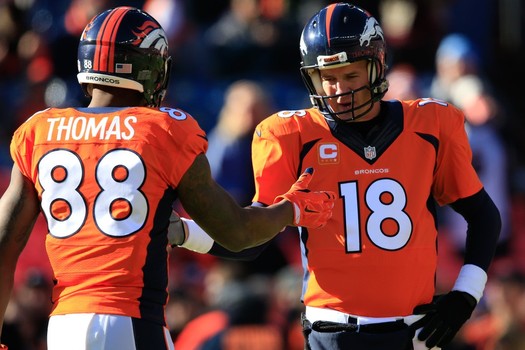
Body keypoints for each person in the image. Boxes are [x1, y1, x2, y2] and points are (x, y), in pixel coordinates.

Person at [0, 6, 336, 350]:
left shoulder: (38, 130)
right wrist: (290, 210)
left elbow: (3, 243)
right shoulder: (163, 130)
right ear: (151, 68)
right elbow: (237, 234)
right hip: (128, 319)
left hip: (63, 327)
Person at [169, 3, 502, 350]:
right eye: (327, 78)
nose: (338, 90)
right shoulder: (291, 134)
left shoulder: (431, 124)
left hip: (415, 333)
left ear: (377, 67)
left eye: (350, 75)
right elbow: (253, 237)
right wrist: (183, 232)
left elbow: (484, 216)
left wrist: (466, 293)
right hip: (334, 332)